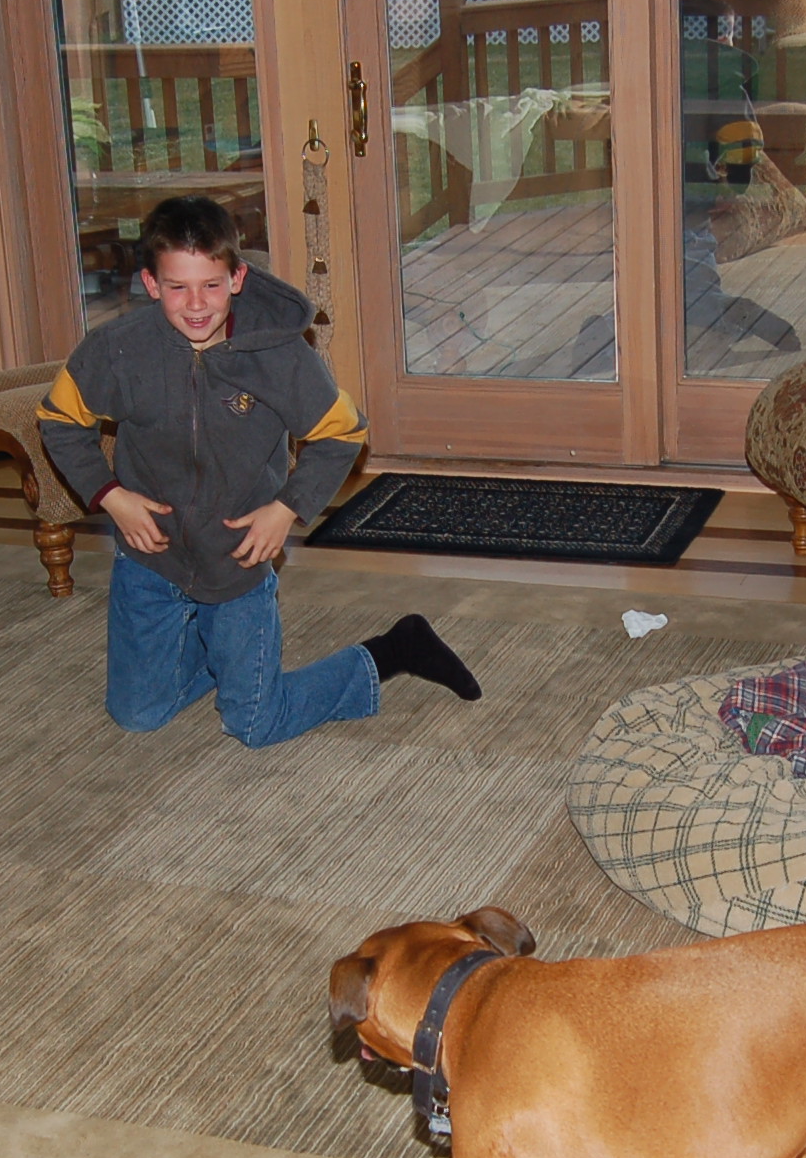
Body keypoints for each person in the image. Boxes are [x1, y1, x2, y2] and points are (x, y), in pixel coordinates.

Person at [36, 194, 481, 748]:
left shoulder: (279, 355)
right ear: (150, 284)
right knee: (137, 714)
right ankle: (219, 656)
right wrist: (111, 496)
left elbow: (343, 432)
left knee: (253, 723)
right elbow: (58, 419)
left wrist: (286, 508)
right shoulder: (117, 350)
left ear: (237, 278)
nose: (196, 304)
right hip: (150, 558)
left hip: (236, 561)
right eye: (177, 287)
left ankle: (395, 649)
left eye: (211, 285)